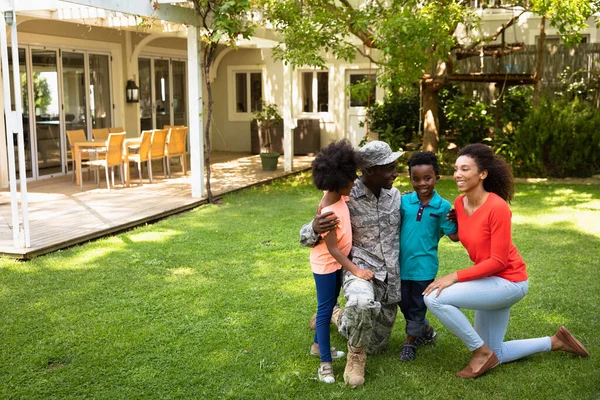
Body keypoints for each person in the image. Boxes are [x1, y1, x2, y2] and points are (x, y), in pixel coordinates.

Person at [423, 143, 590, 379]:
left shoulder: (497, 207)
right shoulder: (460, 204)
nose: (458, 174)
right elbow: (463, 234)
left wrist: (454, 276)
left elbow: (498, 262)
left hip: (508, 282)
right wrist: (451, 219)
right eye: (456, 168)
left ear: (482, 174)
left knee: (433, 298)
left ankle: (480, 353)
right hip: (488, 281)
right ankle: (556, 341)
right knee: (497, 353)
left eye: (465, 169)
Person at [300, 140, 402, 387]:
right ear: (369, 171)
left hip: (390, 280)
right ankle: (355, 358)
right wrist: (312, 228)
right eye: (389, 167)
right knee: (360, 302)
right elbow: (311, 233)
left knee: (376, 344)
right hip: (359, 271)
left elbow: (425, 211)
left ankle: (335, 315)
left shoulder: (397, 197)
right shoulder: (345, 193)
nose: (395, 172)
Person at [308, 140, 373, 383]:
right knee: (325, 311)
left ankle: (318, 346)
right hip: (327, 265)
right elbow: (333, 249)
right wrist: (357, 270)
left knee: (331, 302)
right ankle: (325, 363)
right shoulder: (329, 212)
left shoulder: (337, 197)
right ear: (338, 181)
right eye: (351, 179)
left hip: (336, 264)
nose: (354, 183)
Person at [398, 151, 459, 362]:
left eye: (427, 178)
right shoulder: (403, 202)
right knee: (403, 303)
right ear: (410, 179)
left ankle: (409, 342)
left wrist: (461, 217)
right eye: (416, 179)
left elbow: (454, 236)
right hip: (400, 265)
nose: (422, 183)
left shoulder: (443, 207)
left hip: (424, 267)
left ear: (437, 178)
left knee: (417, 305)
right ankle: (425, 330)